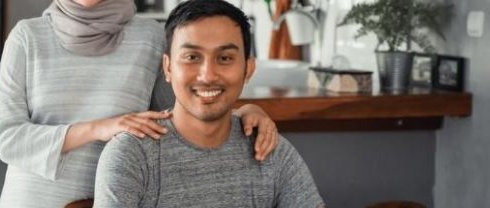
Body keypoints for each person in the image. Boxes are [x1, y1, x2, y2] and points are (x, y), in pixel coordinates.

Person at [0, 0, 280, 207]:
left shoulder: (151, 38)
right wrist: (98, 128)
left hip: (121, 197)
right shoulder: (26, 37)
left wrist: (243, 111)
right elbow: (8, 138)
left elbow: (181, 119)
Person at [93, 0, 324, 207]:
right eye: (192, 57)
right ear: (168, 67)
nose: (208, 75)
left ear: (248, 70)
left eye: (224, 58)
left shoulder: (270, 149)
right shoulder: (132, 155)